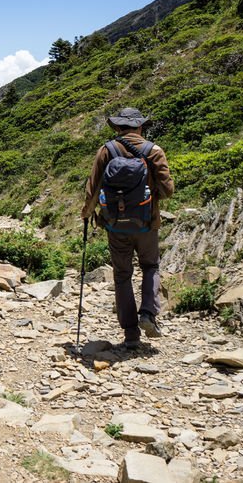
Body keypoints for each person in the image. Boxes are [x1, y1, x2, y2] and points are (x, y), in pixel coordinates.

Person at [81, 107, 174, 348]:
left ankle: (130, 334)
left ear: (118, 128)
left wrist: (87, 214)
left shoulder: (106, 150)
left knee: (122, 275)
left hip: (115, 225)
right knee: (150, 266)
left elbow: (92, 189)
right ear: (140, 126)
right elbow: (168, 190)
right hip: (146, 224)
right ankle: (148, 314)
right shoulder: (153, 150)